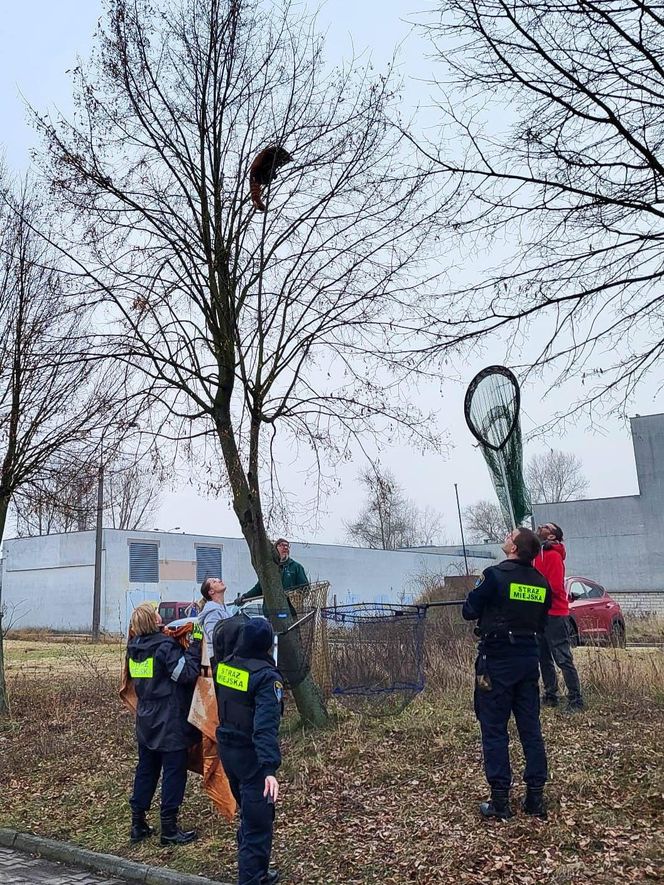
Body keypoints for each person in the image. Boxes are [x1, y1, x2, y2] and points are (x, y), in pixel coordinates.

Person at [462, 527, 551, 820]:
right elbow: (542, 616)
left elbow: (469, 610)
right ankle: (535, 799)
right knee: (530, 728)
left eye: (510, 535)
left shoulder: (494, 575)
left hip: (497, 662)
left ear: (514, 547)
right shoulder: (541, 581)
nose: (506, 537)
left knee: (494, 728)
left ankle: (500, 802)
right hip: (529, 661)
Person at [214, 617, 284, 885]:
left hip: (228, 751)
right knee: (257, 823)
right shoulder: (266, 678)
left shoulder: (226, 666)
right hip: (252, 758)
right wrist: (269, 769)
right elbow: (265, 726)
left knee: (249, 815)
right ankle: (252, 878)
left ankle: (258, 873)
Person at [126, 602, 202, 846]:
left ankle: (138, 824)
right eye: (155, 611)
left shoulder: (133, 648)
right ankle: (169, 829)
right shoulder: (164, 646)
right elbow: (186, 674)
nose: (160, 613)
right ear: (152, 620)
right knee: (173, 772)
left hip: (146, 718)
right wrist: (196, 644)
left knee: (146, 770)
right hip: (169, 718)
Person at [535, 522, 584, 712]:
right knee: (543, 657)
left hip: (555, 614)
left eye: (546, 526)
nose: (540, 527)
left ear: (552, 536)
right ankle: (550, 695)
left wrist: (534, 595)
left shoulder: (553, 556)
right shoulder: (537, 555)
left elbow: (554, 587)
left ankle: (575, 700)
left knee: (562, 658)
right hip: (540, 615)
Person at [236, 538, 309, 618]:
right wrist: (244, 597)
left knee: (285, 627)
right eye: (281, 545)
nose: (285, 548)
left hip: (288, 613)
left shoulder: (296, 568)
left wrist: (293, 594)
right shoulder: (269, 569)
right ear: (275, 549)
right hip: (271, 613)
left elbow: (305, 589)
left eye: (287, 546)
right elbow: (259, 588)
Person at [198, 577, 232, 658]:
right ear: (211, 591)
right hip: (217, 658)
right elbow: (216, 638)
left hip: (227, 655)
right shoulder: (212, 613)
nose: (219, 580)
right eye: (214, 581)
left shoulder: (225, 609)